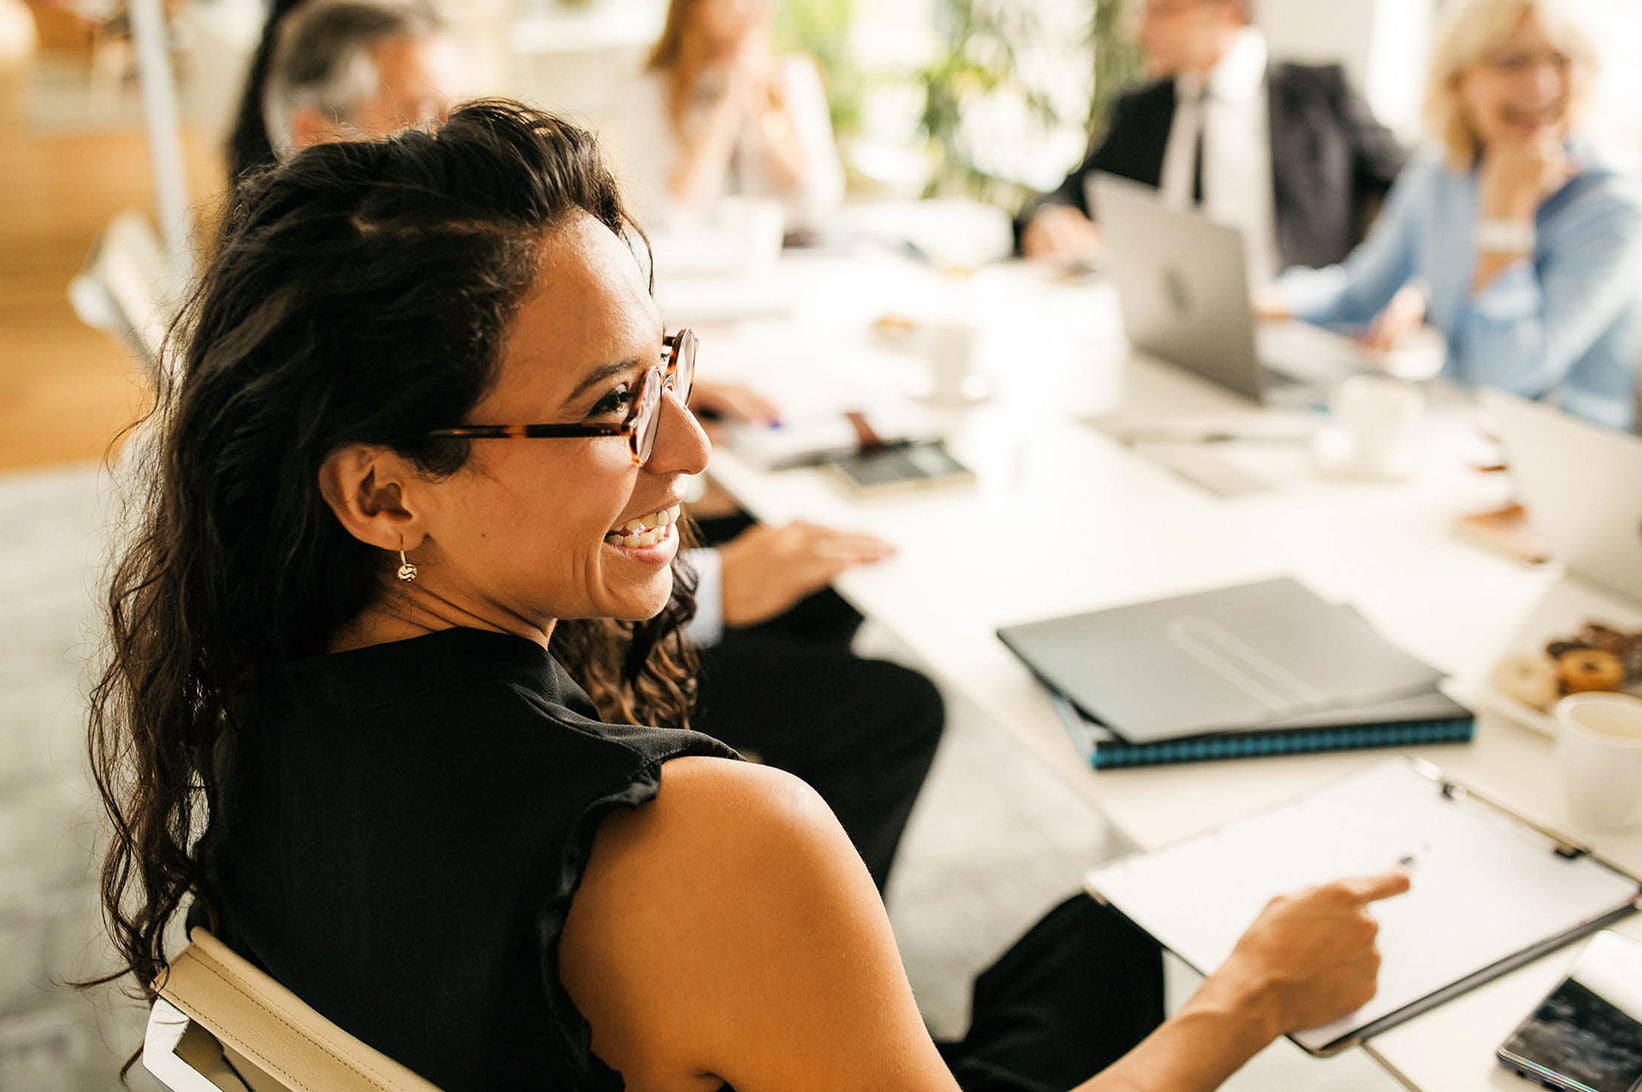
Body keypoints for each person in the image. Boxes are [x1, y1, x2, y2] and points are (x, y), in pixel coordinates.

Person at [90, 99, 1410, 1092]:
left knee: (1095, 933)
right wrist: (1245, 1004)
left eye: (665, 368)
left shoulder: (247, 694)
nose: (690, 449)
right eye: (612, 407)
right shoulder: (724, 847)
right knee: (1136, 945)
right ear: (383, 497)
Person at [249, 0, 942, 892]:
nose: (452, 143)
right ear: (383, 496)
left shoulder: (314, 731)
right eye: (427, 116)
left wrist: (626, 407)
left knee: (824, 600)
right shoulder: (611, 829)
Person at [1262, 0, 1642, 432]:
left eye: (1561, 60)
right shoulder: (1440, 174)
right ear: (1460, 81)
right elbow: (1359, 294)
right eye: (1513, 62)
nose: (1543, 83)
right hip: (1454, 428)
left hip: (1559, 451)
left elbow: (1506, 381)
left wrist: (1505, 220)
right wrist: (1261, 301)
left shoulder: (1613, 207)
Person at [1020, 0, 1407, 285]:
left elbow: (1416, 186)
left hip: (1294, 328)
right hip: (1167, 329)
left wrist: (1400, 283)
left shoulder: (1320, 95)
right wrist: (1049, 218)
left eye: (1164, 12)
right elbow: (1068, 193)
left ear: (1228, 12)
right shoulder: (1144, 109)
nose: (1140, 30)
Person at [613, 0, 845, 232]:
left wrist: (763, 114)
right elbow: (665, 218)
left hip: (797, 261)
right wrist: (726, 107)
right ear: (695, 6)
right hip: (697, 263)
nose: (758, 6)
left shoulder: (794, 76)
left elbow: (821, 202)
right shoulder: (648, 91)